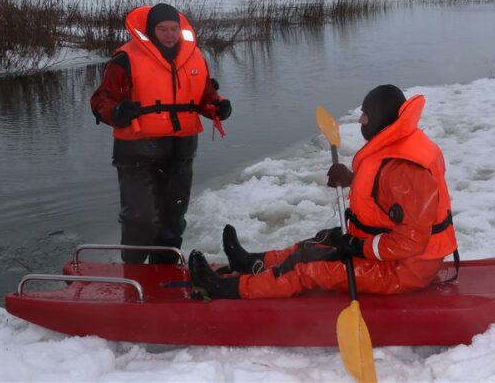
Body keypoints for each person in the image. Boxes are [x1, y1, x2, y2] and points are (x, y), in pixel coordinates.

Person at [187, 84, 458, 300]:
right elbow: (389, 192)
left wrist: (357, 246)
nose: (361, 119)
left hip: (404, 269)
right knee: (317, 243)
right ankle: (251, 263)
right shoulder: (398, 143)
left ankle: (228, 289)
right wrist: (353, 179)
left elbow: (411, 241)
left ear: (381, 119)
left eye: (366, 114)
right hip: (393, 254)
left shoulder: (406, 168)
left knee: (310, 269)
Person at [91, 3, 231, 264]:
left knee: (173, 218)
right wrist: (117, 112)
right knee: (140, 217)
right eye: (162, 29)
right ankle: (133, 271)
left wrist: (217, 106)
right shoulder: (125, 60)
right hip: (137, 151)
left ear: (180, 29)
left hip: (181, 149)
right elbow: (102, 100)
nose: (169, 34)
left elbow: (204, 97)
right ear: (150, 31)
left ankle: (164, 272)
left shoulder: (195, 57)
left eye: (173, 29)